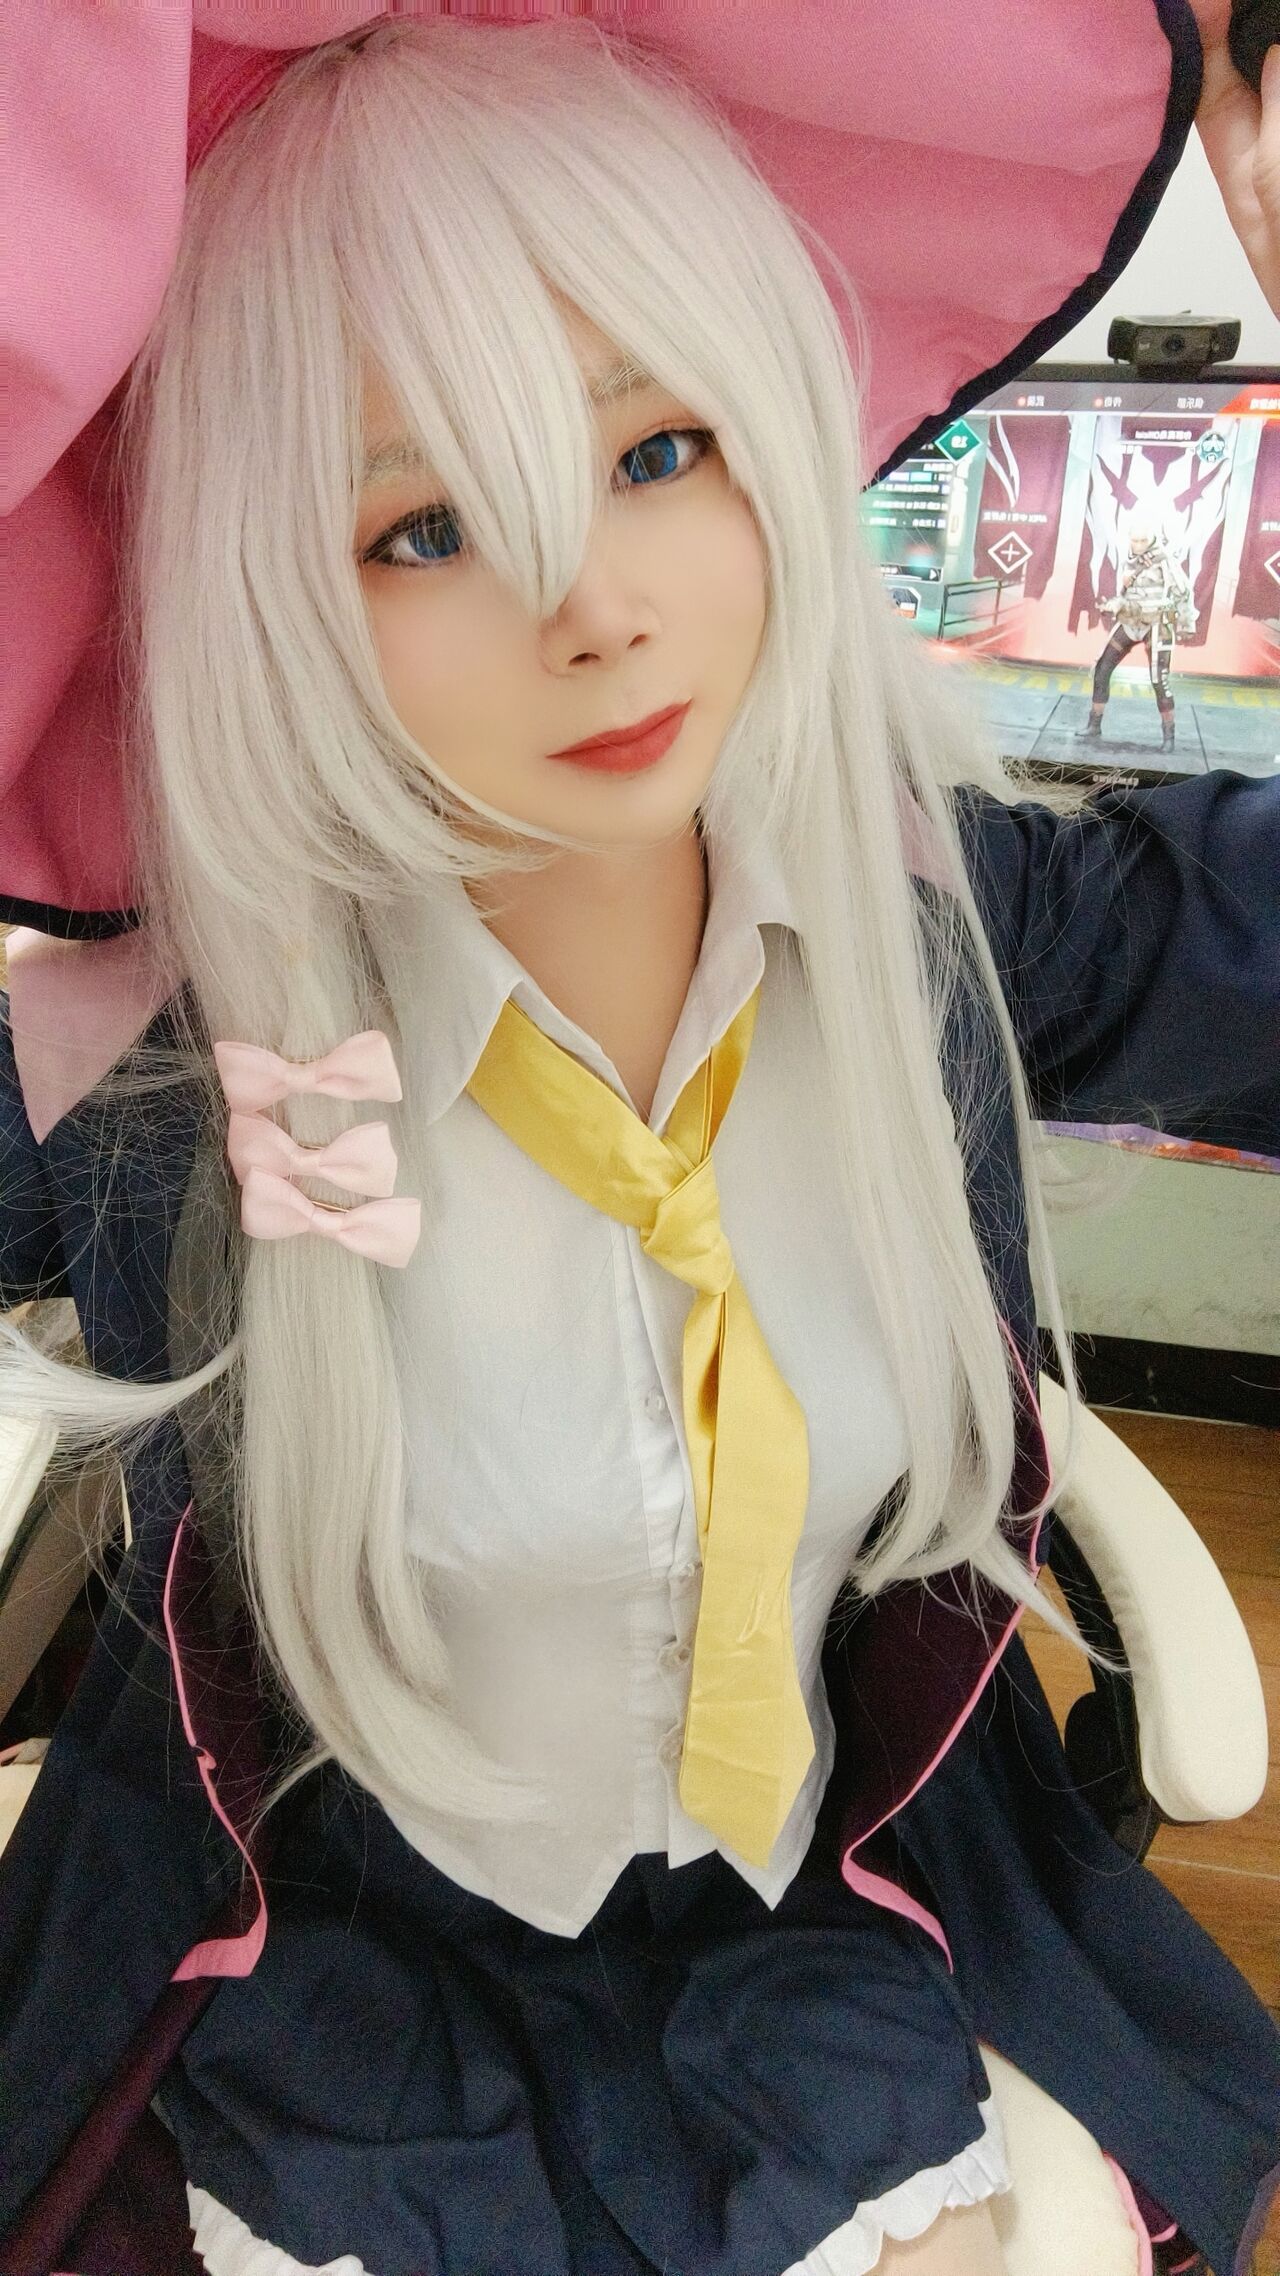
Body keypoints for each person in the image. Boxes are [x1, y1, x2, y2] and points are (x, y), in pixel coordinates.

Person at [1, 12, 1279, 2276]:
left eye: (657, 448)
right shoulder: (166, 1074)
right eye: (423, 527)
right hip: (329, 1968)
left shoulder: (931, 932)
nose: (592, 607)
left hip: (836, 1925)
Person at [1077, 522, 1199, 753]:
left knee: (1159, 680)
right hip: (1131, 621)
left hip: (1156, 623)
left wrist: (1187, 623)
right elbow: (1126, 595)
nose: (1139, 545)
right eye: (1136, 540)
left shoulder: (1165, 560)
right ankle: (1094, 725)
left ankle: (1169, 736)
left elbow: (1183, 591)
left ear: (1152, 540)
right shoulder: (1129, 560)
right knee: (1102, 668)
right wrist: (1113, 605)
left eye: (1143, 540)